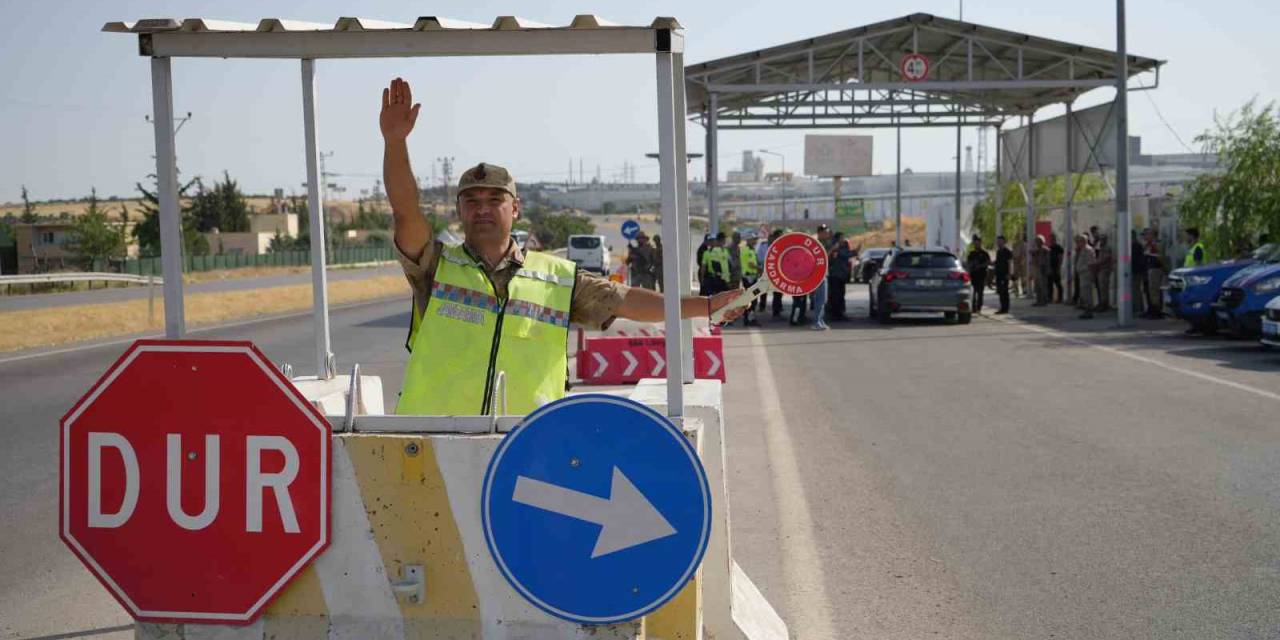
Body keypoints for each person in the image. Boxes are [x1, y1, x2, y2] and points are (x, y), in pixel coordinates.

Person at [379, 77, 743, 415]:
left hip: (525, 444)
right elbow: (406, 212)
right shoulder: (435, 266)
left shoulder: (557, 279)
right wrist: (395, 143)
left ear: (516, 208)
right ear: (459, 210)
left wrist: (706, 305)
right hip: (434, 440)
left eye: (495, 199)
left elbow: (627, 300)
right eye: (472, 201)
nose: (483, 209)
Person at [827, 231, 855, 321]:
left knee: (841, 294)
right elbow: (843, 255)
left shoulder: (844, 246)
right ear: (838, 238)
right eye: (842, 237)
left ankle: (840, 312)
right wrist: (854, 252)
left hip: (842, 275)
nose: (843, 239)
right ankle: (835, 314)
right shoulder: (835, 247)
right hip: (835, 275)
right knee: (835, 295)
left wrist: (854, 251)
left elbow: (847, 254)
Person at [738, 233, 761, 327]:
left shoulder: (745, 249)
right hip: (750, 277)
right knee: (753, 298)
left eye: (756, 239)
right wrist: (761, 269)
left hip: (748, 277)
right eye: (754, 239)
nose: (755, 241)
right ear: (749, 240)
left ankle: (748, 318)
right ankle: (749, 319)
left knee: (749, 298)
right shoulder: (749, 251)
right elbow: (751, 264)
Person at [1142, 228, 1165, 319]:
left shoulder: (1157, 244)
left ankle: (1157, 311)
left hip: (1155, 269)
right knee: (1150, 291)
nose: (1146, 236)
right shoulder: (1148, 245)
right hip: (1149, 269)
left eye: (1148, 234)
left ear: (1153, 235)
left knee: (1155, 290)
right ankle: (1151, 309)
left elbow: (1160, 257)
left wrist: (1165, 268)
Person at [1073, 234, 1097, 319]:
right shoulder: (1081, 249)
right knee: (1083, 293)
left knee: (1087, 293)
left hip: (1086, 274)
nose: (1077, 243)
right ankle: (1086, 310)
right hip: (1082, 275)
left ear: (1083, 241)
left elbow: (1091, 263)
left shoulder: (1088, 250)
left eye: (1079, 241)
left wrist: (1082, 269)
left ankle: (1089, 311)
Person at [966, 235, 992, 313]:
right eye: (975, 243)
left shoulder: (984, 253)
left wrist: (980, 266)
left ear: (980, 243)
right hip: (973, 275)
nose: (977, 245)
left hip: (981, 275)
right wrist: (971, 266)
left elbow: (988, 262)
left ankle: (979, 307)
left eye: (978, 243)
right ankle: (973, 307)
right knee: (973, 292)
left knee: (980, 292)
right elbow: (968, 263)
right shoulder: (972, 253)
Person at [1093, 234, 1114, 313]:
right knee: (1101, 288)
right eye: (1100, 239)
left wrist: (1097, 263)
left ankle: (1104, 304)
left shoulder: (1107, 248)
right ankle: (1101, 303)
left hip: (1105, 270)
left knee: (1103, 288)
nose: (1101, 241)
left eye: (1102, 239)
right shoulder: (1100, 247)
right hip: (1100, 269)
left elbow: (1106, 258)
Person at [993, 235, 1013, 314]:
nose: (999, 243)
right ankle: (1002, 307)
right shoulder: (998, 252)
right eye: (998, 241)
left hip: (1005, 274)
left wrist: (1009, 273)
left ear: (1004, 242)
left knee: (1005, 291)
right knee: (1000, 291)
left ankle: (1006, 308)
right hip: (999, 274)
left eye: (1000, 241)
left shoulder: (1007, 252)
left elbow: (1010, 263)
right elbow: (997, 263)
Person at [1131, 229, 1148, 317]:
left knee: (1136, 290)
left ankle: (1138, 308)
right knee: (1134, 290)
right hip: (1134, 270)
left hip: (1135, 270)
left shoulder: (1135, 246)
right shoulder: (1136, 245)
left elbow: (1136, 259)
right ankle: (1136, 307)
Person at [1031, 235, 1051, 306]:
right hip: (1036, 269)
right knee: (1037, 286)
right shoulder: (1035, 251)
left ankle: (1044, 301)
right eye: (1036, 241)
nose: (1037, 243)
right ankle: (1038, 300)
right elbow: (1033, 260)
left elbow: (1048, 261)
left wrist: (1047, 270)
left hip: (1043, 270)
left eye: (1039, 241)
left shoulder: (1046, 250)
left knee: (1043, 286)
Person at [1049, 233, 1065, 303]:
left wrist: (1059, 267)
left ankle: (1060, 298)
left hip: (1056, 267)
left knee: (1058, 283)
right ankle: (1050, 298)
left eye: (1053, 238)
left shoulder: (1059, 247)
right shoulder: (1049, 247)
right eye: (1051, 238)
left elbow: (1060, 258)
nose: (1051, 239)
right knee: (1049, 283)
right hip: (1050, 267)